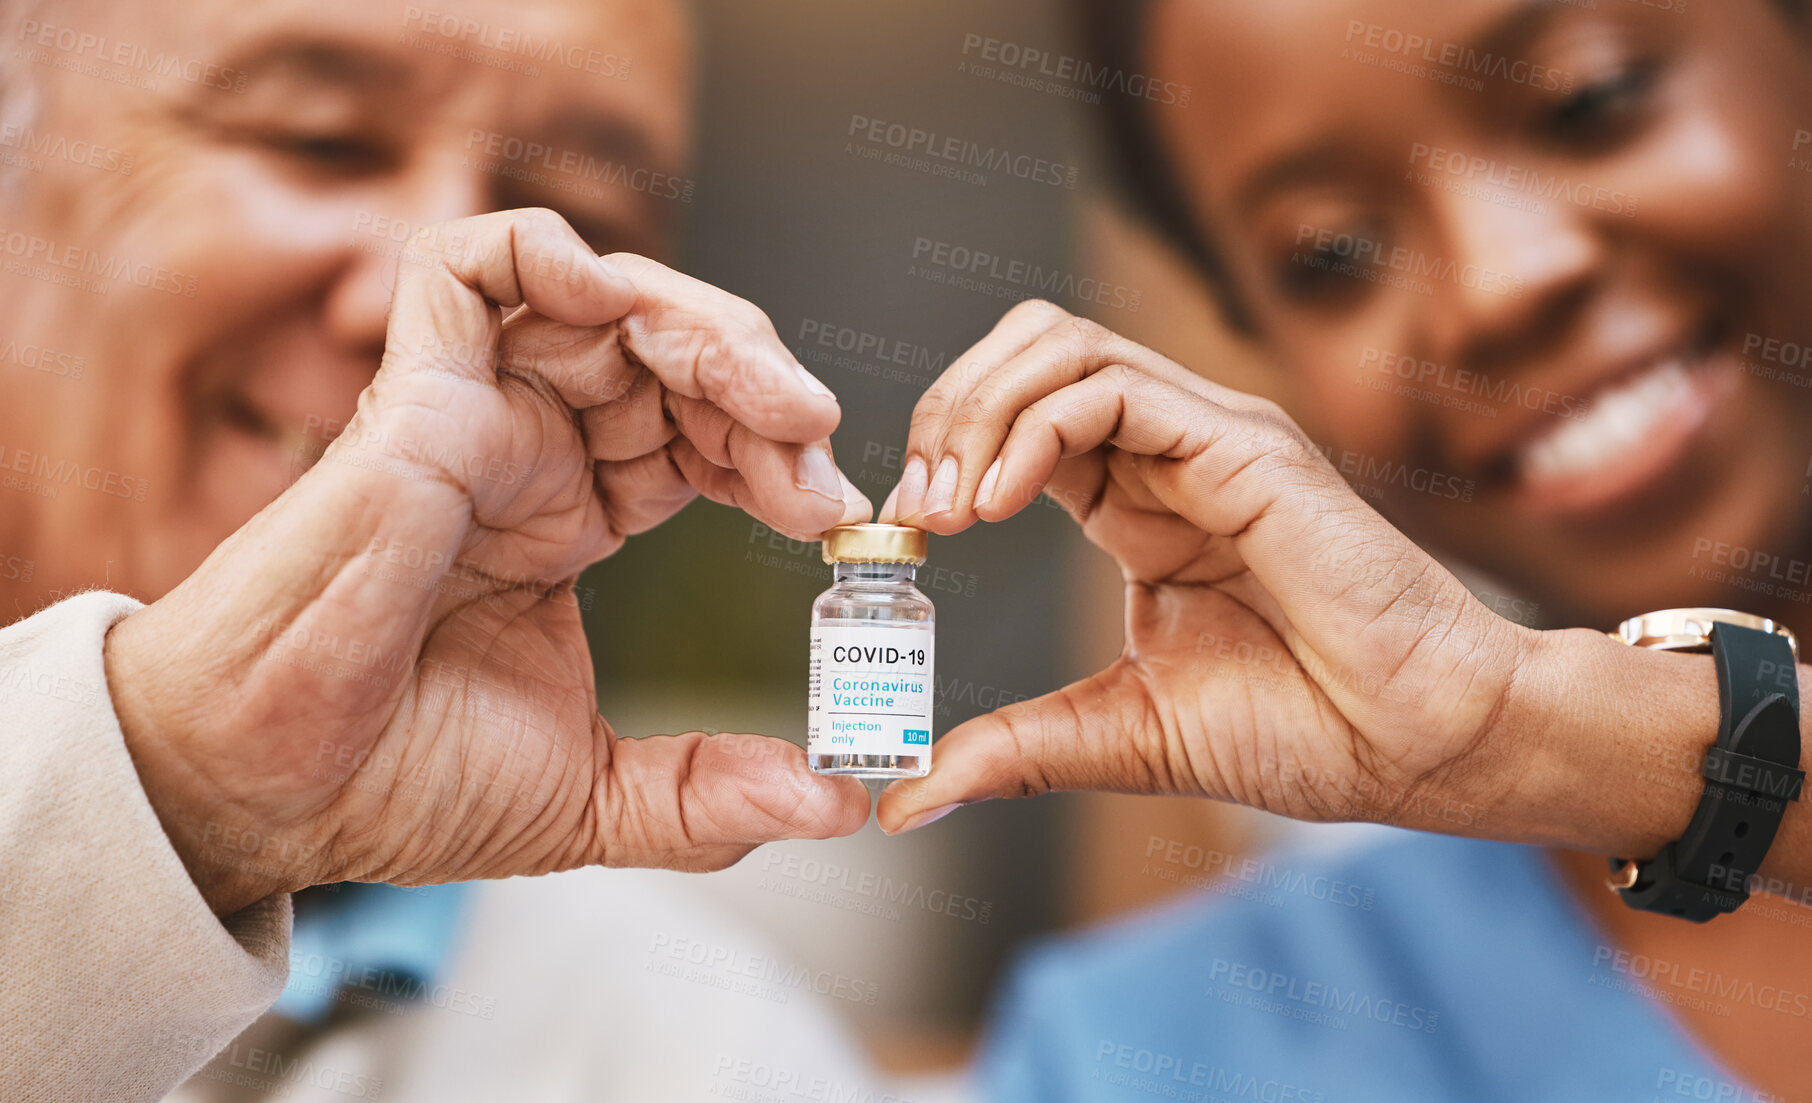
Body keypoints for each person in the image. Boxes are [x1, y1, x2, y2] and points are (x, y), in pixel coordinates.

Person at [870, 0, 1812, 1098]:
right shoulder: (1148, 1054)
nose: (1500, 285)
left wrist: (1570, 739)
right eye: (1334, 254)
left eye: (1585, 102)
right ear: (1264, 347)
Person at [0, 0, 888, 1099]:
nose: (421, 292)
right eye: (317, 139)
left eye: (575, 209)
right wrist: (160, 800)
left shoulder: (696, 1050)